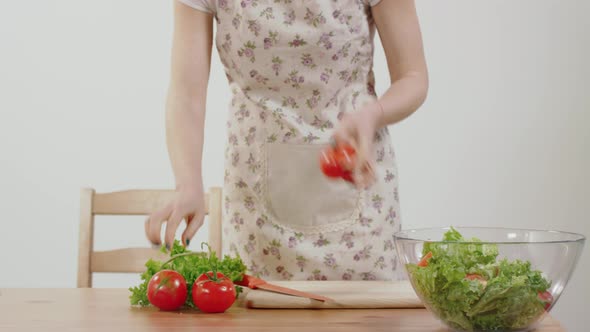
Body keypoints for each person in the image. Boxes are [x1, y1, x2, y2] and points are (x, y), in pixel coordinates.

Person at [145, 0, 428, 281]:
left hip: (356, 185)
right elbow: (186, 94)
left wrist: (372, 115)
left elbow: (413, 77)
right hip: (255, 202)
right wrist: (188, 183)